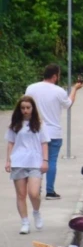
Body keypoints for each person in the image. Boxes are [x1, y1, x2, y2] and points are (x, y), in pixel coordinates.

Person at [24, 64, 83, 201]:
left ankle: (36, 189)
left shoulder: (31, 88)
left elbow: (25, 106)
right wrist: (75, 89)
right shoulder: (59, 91)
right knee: (51, 161)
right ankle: (50, 191)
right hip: (53, 132)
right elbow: (68, 104)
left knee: (37, 160)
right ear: (55, 76)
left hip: (35, 131)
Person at [6, 96, 48, 234]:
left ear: (33, 109)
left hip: (35, 161)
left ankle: (36, 212)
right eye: (23, 108)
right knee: (21, 195)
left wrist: (45, 161)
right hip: (18, 161)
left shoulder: (39, 124)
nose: (25, 111)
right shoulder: (14, 125)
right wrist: (8, 160)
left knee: (34, 193)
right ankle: (24, 222)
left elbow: (44, 143)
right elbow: (11, 143)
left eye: (28, 108)